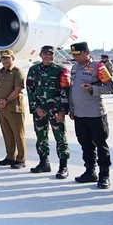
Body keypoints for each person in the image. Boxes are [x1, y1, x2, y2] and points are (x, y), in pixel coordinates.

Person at [68, 42, 113, 189]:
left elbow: (110, 87)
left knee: (101, 144)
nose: (75, 57)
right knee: (85, 144)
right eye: (73, 55)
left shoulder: (99, 67)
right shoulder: (75, 68)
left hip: (95, 113)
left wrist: (93, 89)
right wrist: (72, 108)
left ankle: (104, 175)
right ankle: (90, 171)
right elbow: (72, 89)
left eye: (78, 54)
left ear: (86, 52)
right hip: (80, 114)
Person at [26, 45, 70, 179]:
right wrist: (36, 107)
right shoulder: (34, 70)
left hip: (55, 110)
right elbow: (30, 89)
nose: (48, 56)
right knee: (41, 137)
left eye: (50, 54)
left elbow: (65, 91)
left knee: (60, 138)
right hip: (40, 110)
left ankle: (63, 167)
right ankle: (44, 163)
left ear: (53, 55)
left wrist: (63, 111)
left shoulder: (60, 70)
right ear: (40, 55)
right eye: (45, 54)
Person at [0, 50, 27, 169]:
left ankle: (21, 159)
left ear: (12, 58)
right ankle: (10, 156)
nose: (5, 60)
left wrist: (5, 100)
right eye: (3, 58)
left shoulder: (17, 72)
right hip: (1, 108)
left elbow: (17, 89)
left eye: (7, 58)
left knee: (18, 134)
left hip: (14, 108)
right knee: (7, 133)